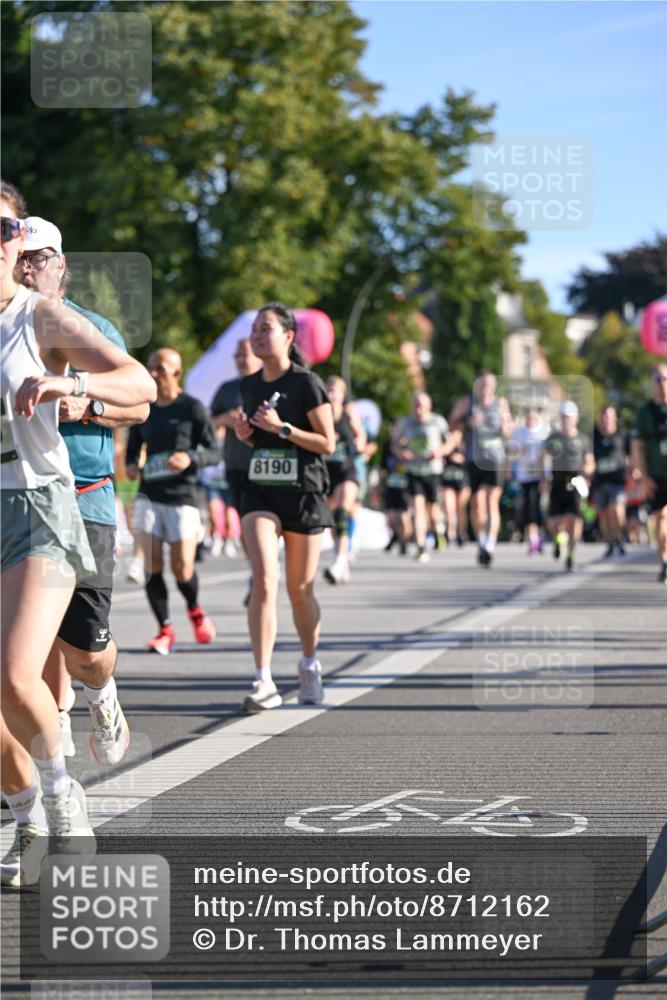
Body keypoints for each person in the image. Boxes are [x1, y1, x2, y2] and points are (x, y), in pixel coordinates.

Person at [0, 180, 156, 886]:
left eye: (7, 232)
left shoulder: (42, 320)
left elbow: (140, 387)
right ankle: (26, 813)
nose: (12, 247)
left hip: (45, 506)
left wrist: (72, 390)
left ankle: (62, 792)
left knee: (25, 669)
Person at [18, 216, 149, 766]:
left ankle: (99, 692)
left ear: (61, 266)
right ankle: (38, 763)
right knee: (21, 645)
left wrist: (88, 406)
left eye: (39, 259)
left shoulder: (89, 328)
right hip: (20, 499)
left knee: (83, 650)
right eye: (20, 258)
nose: (28, 269)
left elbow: (140, 404)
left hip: (85, 498)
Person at [234, 302, 335, 712]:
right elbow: (260, 440)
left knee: (300, 590)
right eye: (254, 329)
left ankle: (309, 663)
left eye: (266, 329)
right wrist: (248, 435)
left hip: (303, 492)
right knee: (263, 579)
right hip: (260, 490)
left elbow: (327, 443)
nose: (257, 336)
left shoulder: (307, 384)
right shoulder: (249, 384)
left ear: (289, 337)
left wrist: (283, 428)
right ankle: (263, 679)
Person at [126, 348, 220, 653]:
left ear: (176, 373)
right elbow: (134, 443)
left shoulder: (192, 408)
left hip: (182, 497)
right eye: (150, 367)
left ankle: (195, 609)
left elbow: (214, 451)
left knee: (182, 569)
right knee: (153, 566)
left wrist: (190, 457)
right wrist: (130, 463)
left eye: (160, 368)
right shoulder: (146, 407)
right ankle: (165, 629)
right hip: (150, 494)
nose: (153, 373)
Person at [210, 337, 262, 596]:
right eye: (237, 355)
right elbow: (209, 422)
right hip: (236, 465)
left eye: (245, 354)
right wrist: (224, 418)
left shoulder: (269, 384)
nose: (241, 360)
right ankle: (257, 569)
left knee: (263, 521)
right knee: (244, 522)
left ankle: (264, 568)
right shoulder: (227, 389)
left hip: (265, 465)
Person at [449, 373, 513, 567]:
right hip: (473, 459)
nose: (485, 388)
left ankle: (490, 545)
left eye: (489, 385)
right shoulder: (467, 403)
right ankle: (482, 541)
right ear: (477, 386)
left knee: (492, 501)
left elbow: (509, 429)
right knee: (477, 503)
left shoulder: (501, 404)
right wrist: (467, 423)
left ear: (493, 387)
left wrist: (504, 428)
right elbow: (451, 424)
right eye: (482, 384)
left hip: (495, 459)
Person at [393, 392, 451, 563]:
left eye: (422, 406)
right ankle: (421, 545)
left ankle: (438, 530)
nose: (419, 410)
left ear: (429, 407)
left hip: (433, 470)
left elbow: (450, 442)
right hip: (414, 470)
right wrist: (402, 453)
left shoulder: (437, 421)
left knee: (432, 510)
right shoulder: (406, 423)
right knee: (417, 508)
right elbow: (395, 443)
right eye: (416, 406)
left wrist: (440, 452)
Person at [543, 401, 595, 572]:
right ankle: (560, 538)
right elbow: (543, 457)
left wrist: (586, 473)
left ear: (576, 418)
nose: (567, 420)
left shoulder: (583, 439)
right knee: (553, 521)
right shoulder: (554, 438)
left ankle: (571, 556)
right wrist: (544, 476)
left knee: (575, 520)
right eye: (564, 417)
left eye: (570, 417)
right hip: (557, 481)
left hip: (575, 481)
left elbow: (589, 462)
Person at [323, 375, 365, 584]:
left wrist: (359, 444)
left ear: (342, 394)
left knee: (341, 512)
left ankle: (340, 560)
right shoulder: (320, 413)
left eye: (334, 389)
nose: (330, 392)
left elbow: (361, 435)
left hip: (347, 470)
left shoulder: (349, 412)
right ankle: (340, 556)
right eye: (327, 388)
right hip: (326, 472)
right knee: (331, 520)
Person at [630, 364, 667, 584]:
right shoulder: (645, 413)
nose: (662, 384)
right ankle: (664, 559)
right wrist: (643, 476)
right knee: (660, 519)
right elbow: (637, 446)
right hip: (655, 475)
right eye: (658, 379)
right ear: (651, 383)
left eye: (665, 379)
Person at [509, 408, 549, 555]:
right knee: (527, 506)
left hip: (539, 475)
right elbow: (512, 452)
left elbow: (548, 455)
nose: (530, 421)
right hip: (524, 475)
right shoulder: (519, 433)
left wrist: (545, 476)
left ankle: (539, 537)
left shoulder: (545, 431)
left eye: (533, 418)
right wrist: (518, 453)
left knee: (538, 506)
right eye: (528, 418)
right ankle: (531, 539)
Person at [592, 405, 628, 558]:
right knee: (604, 515)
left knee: (617, 511)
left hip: (617, 481)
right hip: (599, 481)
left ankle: (619, 538)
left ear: (614, 418)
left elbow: (631, 454)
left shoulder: (622, 435)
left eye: (609, 416)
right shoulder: (593, 436)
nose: (606, 419)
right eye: (604, 416)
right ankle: (609, 544)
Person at [440, 433, 470, 547]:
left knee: (460, 509)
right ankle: (450, 533)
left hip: (463, 482)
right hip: (448, 482)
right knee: (449, 508)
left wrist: (460, 459)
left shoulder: (466, 448)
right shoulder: (445, 448)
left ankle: (461, 533)